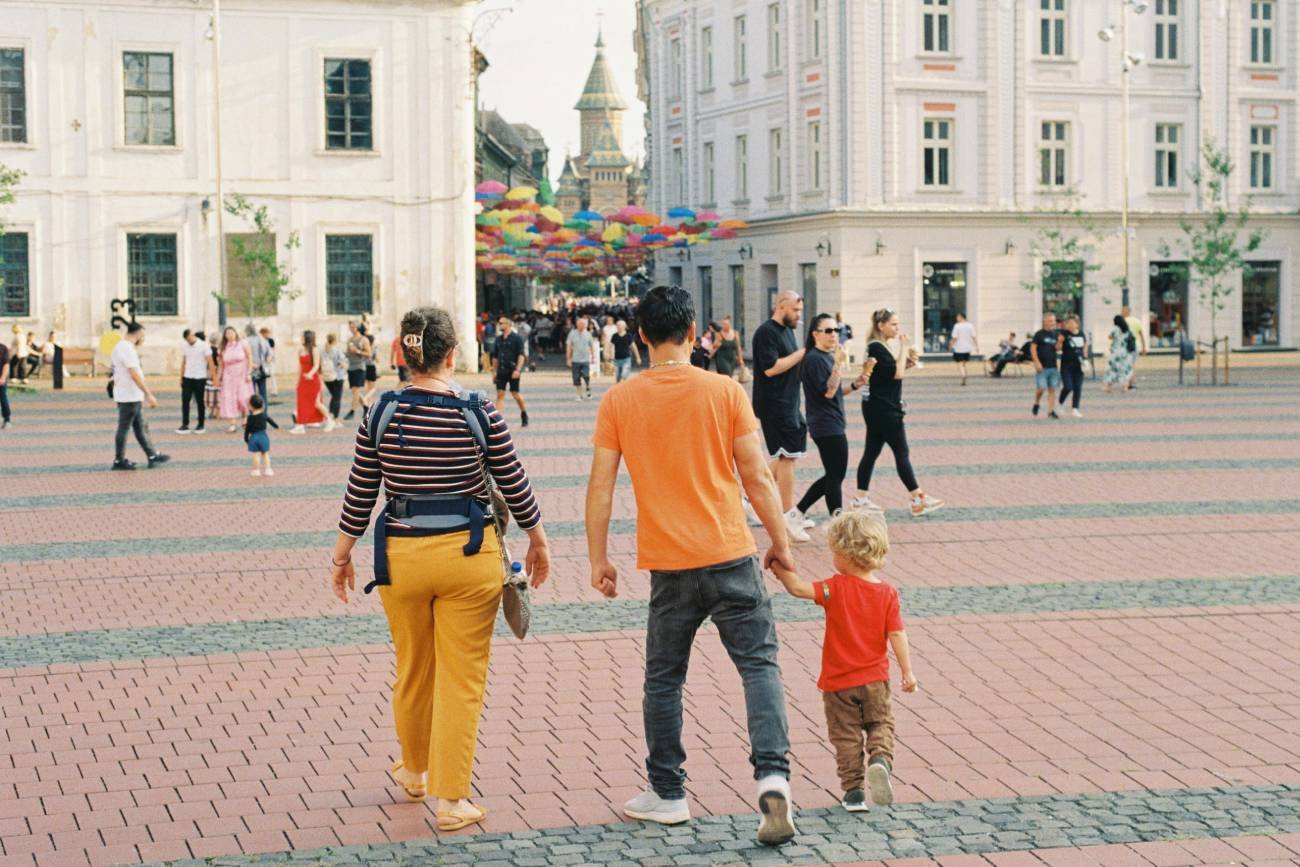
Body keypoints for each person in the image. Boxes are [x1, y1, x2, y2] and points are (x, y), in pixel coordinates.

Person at [585, 285, 799, 847]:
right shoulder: (725, 390)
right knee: (759, 666)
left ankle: (668, 792)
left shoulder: (620, 400)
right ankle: (773, 778)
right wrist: (781, 543)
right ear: (692, 329)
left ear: (641, 336)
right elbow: (756, 477)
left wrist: (598, 558)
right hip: (731, 552)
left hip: (670, 565)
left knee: (664, 678)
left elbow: (601, 488)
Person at [329, 305, 550, 832]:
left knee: (412, 667)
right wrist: (538, 540)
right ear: (453, 354)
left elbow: (360, 494)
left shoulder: (380, 414)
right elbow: (514, 483)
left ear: (403, 357)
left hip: (400, 561)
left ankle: (414, 771)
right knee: (462, 678)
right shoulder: (479, 412)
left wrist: (341, 556)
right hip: (468, 558)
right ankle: (452, 801)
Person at [770, 511, 917, 811]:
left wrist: (776, 565)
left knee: (846, 737)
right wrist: (908, 672)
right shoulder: (887, 593)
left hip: (838, 684)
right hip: (875, 680)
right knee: (880, 724)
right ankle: (879, 759)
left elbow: (798, 588)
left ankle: (853, 792)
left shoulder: (833, 588)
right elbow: (898, 635)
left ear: (846, 556)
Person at [853, 309, 943, 517]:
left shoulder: (878, 347)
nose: (897, 328)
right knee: (901, 453)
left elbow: (890, 373)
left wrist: (907, 362)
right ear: (881, 326)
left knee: (871, 453)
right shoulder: (876, 347)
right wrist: (904, 348)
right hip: (886, 410)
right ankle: (917, 498)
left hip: (877, 407)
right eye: (893, 324)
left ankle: (861, 498)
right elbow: (897, 373)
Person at [751, 289, 810, 543]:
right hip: (774, 403)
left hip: (789, 402)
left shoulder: (788, 332)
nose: (799, 315)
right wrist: (803, 353)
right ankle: (787, 515)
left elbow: (792, 366)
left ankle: (749, 498)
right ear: (781, 306)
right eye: (795, 310)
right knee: (788, 456)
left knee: (786, 455)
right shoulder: (766, 332)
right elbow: (771, 369)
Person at [795, 314, 864, 523]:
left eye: (836, 330)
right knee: (835, 476)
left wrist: (854, 385)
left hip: (830, 422)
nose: (834, 334)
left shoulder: (824, 355)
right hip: (826, 425)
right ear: (815, 334)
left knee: (833, 475)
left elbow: (835, 392)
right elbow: (828, 392)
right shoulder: (815, 358)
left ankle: (796, 513)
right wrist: (838, 365)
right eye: (828, 331)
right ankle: (838, 521)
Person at [110, 322, 170, 471]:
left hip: (129, 394)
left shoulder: (120, 347)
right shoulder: (127, 349)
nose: (143, 339)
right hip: (129, 395)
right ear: (137, 334)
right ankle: (119, 460)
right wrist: (148, 394)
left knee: (140, 426)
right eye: (143, 336)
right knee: (124, 428)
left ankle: (151, 455)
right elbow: (134, 374)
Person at [289, 330, 332, 434]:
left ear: (307, 338)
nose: (301, 338)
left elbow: (316, 365)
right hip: (303, 381)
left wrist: (310, 374)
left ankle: (330, 420)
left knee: (316, 403)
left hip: (313, 380)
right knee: (301, 403)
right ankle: (300, 425)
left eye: (302, 337)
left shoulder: (314, 349)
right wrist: (298, 381)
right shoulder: (301, 350)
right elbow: (300, 367)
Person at [492, 315, 529, 428]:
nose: (500, 325)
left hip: (513, 370)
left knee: (515, 394)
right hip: (501, 371)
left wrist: (518, 369)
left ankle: (524, 413)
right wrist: (494, 372)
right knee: (500, 394)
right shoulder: (498, 339)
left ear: (508, 324)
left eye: (502, 323)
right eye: (499, 323)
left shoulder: (517, 338)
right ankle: (498, 420)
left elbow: (521, 355)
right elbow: (495, 357)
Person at [217, 326, 255, 434]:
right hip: (228, 376)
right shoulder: (223, 348)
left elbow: (250, 356)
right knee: (230, 399)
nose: (230, 335)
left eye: (231, 332)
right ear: (225, 336)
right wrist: (218, 378)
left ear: (236, 333)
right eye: (227, 333)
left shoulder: (243, 343)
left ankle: (246, 419)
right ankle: (232, 424)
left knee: (244, 397)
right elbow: (221, 364)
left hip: (242, 374)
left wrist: (249, 372)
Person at [177, 329, 213, 434]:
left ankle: (201, 424)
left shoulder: (204, 346)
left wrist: (214, 377)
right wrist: (181, 377)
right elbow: (184, 361)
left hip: (200, 377)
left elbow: (210, 362)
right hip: (188, 376)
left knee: (200, 401)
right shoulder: (184, 346)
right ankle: (185, 424)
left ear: (193, 336)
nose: (189, 342)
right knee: (185, 401)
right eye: (187, 340)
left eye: (190, 339)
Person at [1030, 313, 1063, 419]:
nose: (1052, 323)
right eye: (1050, 320)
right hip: (1042, 367)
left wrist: (1060, 342)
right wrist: (1036, 362)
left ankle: (1050, 411)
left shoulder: (1056, 334)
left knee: (1052, 389)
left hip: (1053, 366)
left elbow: (1058, 349)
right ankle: (1036, 402)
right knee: (1041, 388)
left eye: (1053, 321)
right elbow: (1033, 349)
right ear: (1044, 321)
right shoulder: (1039, 334)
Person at [1057, 315, 1088, 418]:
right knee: (1068, 386)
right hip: (1066, 365)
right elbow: (1057, 348)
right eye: (1067, 323)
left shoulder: (1081, 334)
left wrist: (1085, 358)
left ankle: (1075, 408)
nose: (1069, 325)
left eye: (1071, 323)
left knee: (1077, 387)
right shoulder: (1064, 334)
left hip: (1079, 365)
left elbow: (1085, 346)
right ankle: (1060, 404)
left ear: (1077, 324)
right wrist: (1060, 341)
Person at [245, 393, 279, 476]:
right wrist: (276, 426)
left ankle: (256, 470)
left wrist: (246, 438)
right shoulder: (264, 415)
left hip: (254, 437)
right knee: (265, 453)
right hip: (263, 436)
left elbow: (247, 429)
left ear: (251, 406)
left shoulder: (250, 417)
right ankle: (268, 469)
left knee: (256, 454)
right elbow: (272, 422)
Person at [344, 320, 371, 419]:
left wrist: (358, 351)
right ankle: (366, 407)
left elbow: (369, 354)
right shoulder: (350, 340)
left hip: (360, 367)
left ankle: (352, 411)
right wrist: (343, 355)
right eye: (350, 327)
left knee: (355, 390)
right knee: (355, 391)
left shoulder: (363, 339)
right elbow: (348, 353)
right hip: (351, 367)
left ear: (358, 328)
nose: (351, 329)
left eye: (353, 327)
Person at [565, 316, 596, 400]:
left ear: (585, 326)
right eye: (579, 325)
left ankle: (588, 387)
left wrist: (593, 356)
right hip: (575, 359)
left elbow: (592, 345)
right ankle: (579, 394)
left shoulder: (588, 334)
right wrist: (568, 358)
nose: (581, 326)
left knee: (586, 376)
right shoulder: (572, 334)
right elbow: (569, 346)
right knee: (576, 378)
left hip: (585, 359)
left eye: (583, 325)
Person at [1103, 314, 1136, 393]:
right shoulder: (1127, 329)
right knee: (1124, 370)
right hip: (1125, 353)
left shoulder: (1115, 329)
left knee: (1111, 369)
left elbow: (1110, 337)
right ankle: (1125, 387)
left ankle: (1108, 387)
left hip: (1116, 353)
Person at [321, 333, 346, 426]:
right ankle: (335, 420)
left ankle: (330, 416)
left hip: (327, 378)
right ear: (335, 340)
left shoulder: (322, 350)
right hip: (337, 376)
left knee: (334, 396)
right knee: (337, 398)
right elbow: (342, 363)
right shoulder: (337, 350)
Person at [948, 313, 978, 386]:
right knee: (963, 364)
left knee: (960, 364)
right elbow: (974, 336)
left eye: (957, 317)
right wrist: (976, 346)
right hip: (967, 348)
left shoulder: (957, 326)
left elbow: (955, 337)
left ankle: (963, 375)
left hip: (958, 348)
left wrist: (950, 345)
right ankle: (964, 373)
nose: (956, 318)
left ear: (961, 317)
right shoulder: (970, 325)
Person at [1121, 305, 1147, 389]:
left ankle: (1130, 383)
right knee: (1132, 364)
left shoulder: (1122, 321)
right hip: (1136, 346)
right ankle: (1132, 382)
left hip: (1126, 347)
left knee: (1127, 365)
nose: (1121, 313)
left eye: (1122, 311)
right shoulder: (1136, 321)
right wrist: (1144, 347)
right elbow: (1141, 335)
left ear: (1125, 312)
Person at [247, 325, 273, 406]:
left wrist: (252, 364)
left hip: (250, 369)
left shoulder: (245, 341)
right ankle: (264, 412)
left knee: (251, 393)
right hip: (262, 369)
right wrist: (264, 362)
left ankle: (253, 412)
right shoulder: (262, 340)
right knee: (263, 392)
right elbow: (270, 354)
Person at [0, 340, 11, 430]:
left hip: (0, 380)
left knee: (3, 399)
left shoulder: (3, 348)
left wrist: (3, 378)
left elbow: (6, 365)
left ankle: (7, 419)